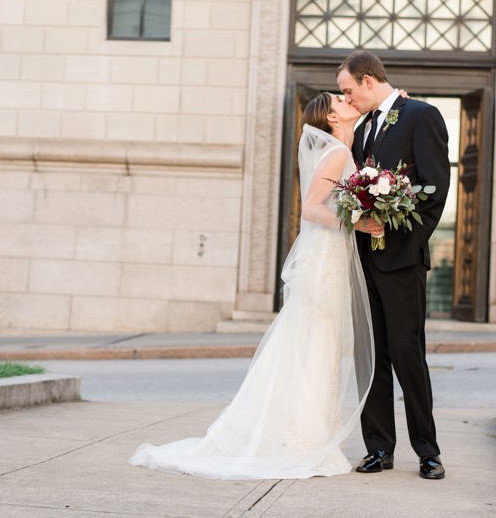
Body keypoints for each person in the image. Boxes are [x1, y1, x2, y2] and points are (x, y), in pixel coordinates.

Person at [129, 92, 375, 480]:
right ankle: (301, 441)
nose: (349, 101)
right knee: (316, 343)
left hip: (330, 256)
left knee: (318, 346)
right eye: (341, 100)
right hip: (323, 259)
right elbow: (312, 208)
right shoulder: (337, 155)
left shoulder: (343, 149)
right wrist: (358, 223)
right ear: (331, 116)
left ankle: (308, 435)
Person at [336, 49, 451, 480]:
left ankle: (428, 451)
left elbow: (434, 190)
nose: (347, 99)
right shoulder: (362, 129)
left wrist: (394, 235)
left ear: (368, 81)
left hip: (401, 263)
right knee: (372, 356)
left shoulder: (422, 115)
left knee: (408, 355)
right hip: (363, 263)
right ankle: (379, 448)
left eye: (349, 90)